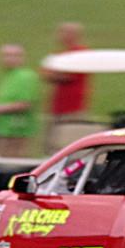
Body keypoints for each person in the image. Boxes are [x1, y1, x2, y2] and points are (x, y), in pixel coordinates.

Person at [41, 22, 90, 152]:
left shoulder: (80, 54)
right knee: (51, 145)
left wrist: (52, 74)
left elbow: (68, 76)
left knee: (67, 145)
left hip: (72, 108)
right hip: (57, 107)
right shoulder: (61, 55)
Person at [0, 44, 40, 157]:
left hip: (16, 131)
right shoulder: (8, 76)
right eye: (6, 56)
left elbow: (24, 104)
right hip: (2, 128)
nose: (9, 59)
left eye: (14, 56)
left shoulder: (25, 77)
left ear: (22, 58)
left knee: (12, 162)